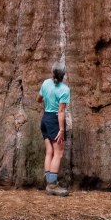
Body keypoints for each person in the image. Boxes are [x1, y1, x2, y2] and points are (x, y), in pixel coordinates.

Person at [37, 64, 71, 196]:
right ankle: (52, 185)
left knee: (49, 152)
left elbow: (38, 99)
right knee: (58, 153)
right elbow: (61, 111)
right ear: (63, 75)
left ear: (53, 73)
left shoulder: (46, 83)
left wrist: (47, 97)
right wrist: (61, 129)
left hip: (45, 119)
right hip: (54, 121)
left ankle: (49, 184)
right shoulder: (65, 89)